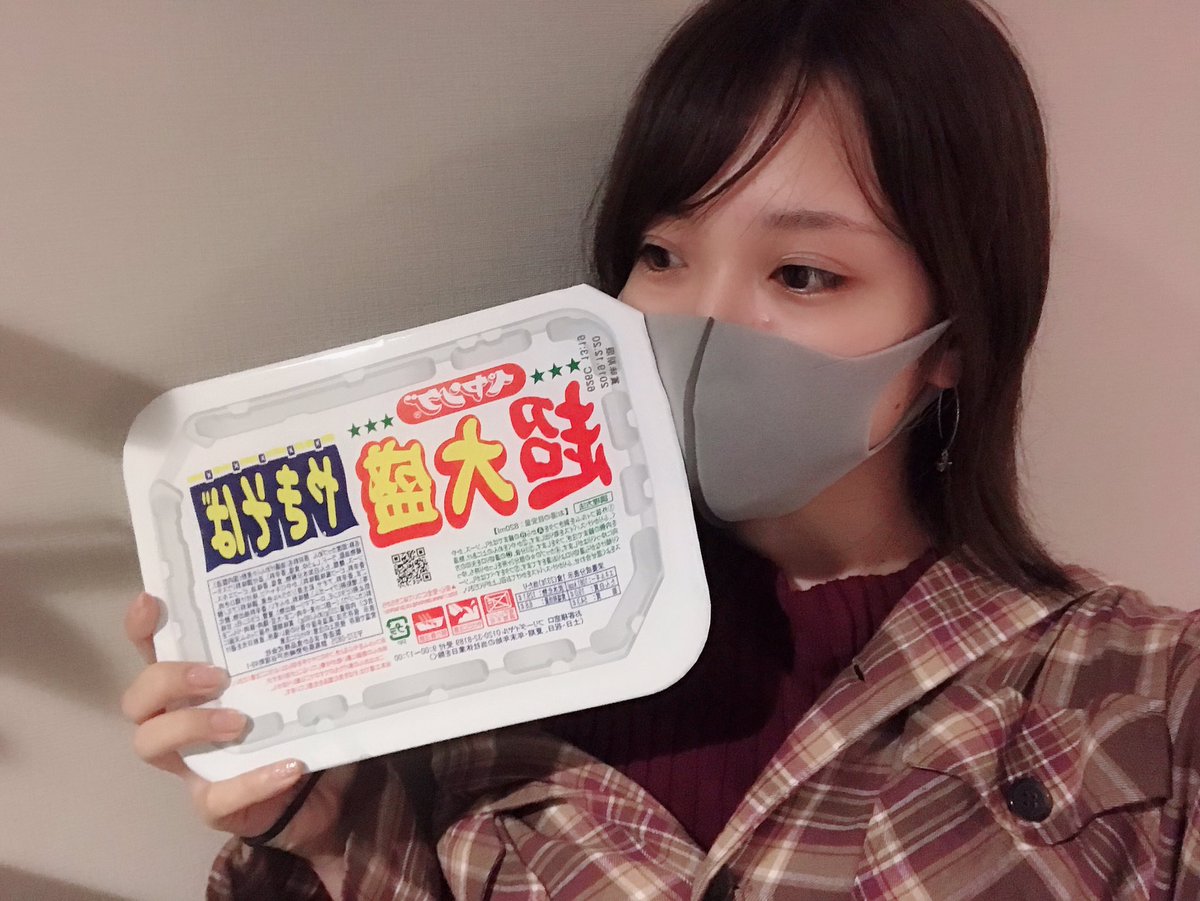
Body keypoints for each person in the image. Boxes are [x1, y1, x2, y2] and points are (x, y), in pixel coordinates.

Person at [121, 0, 1200, 898]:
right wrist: (329, 833)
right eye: (663, 253)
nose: (701, 321)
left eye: (804, 274)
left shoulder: (1147, 695)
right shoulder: (482, 642)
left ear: (953, 339)